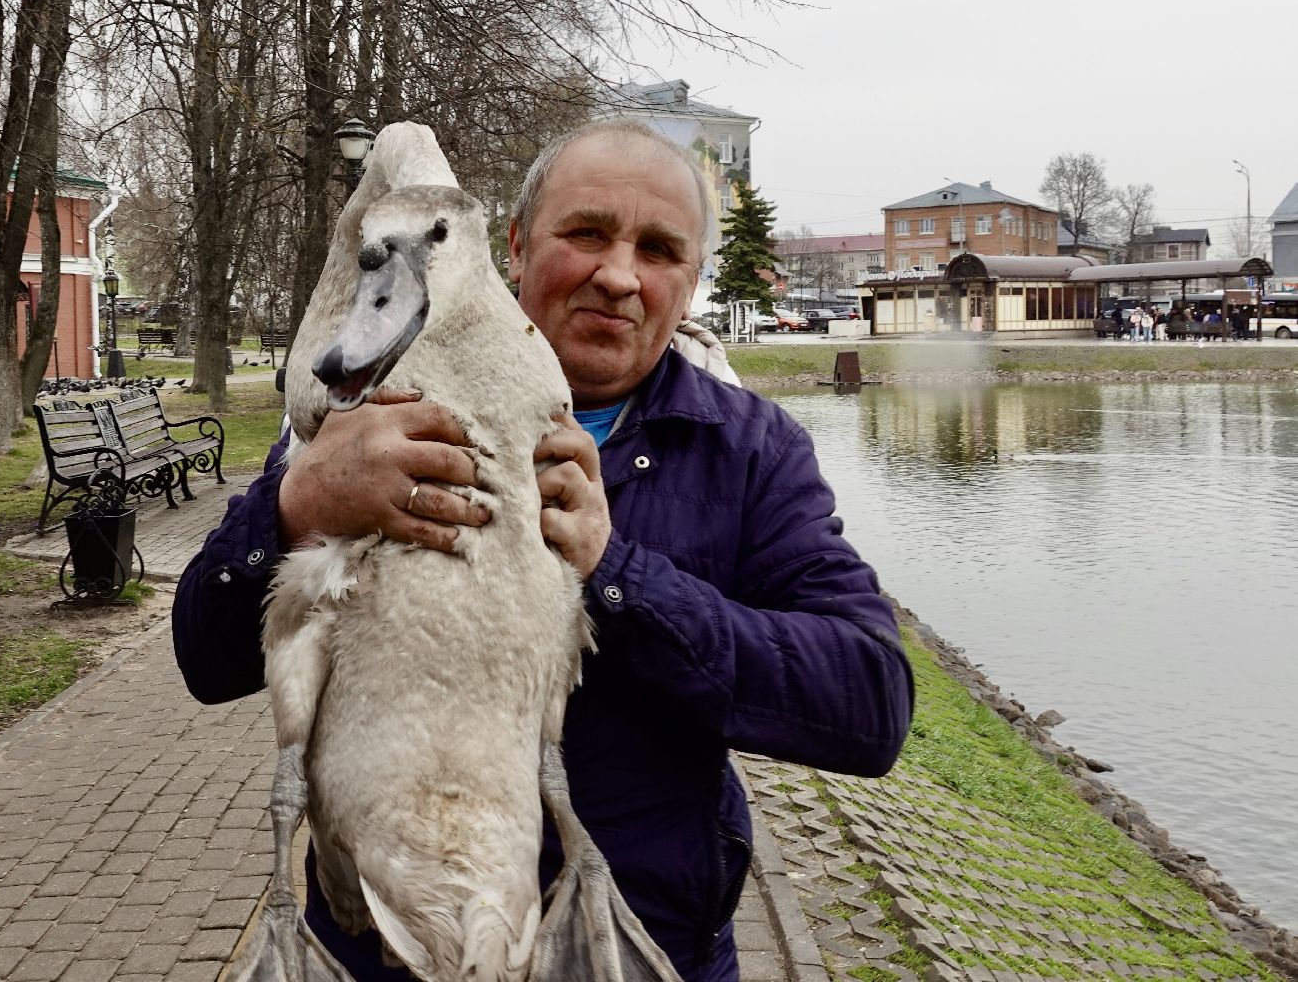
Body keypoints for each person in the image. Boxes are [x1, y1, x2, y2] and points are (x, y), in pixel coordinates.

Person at [171, 119, 914, 982]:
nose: (620, 275)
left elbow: (868, 704)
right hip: (380, 944)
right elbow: (204, 656)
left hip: (639, 944)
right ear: (515, 248)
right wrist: (293, 507)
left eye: (661, 249)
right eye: (587, 233)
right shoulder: (368, 406)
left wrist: (617, 573)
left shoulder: (746, 450)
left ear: (692, 280)